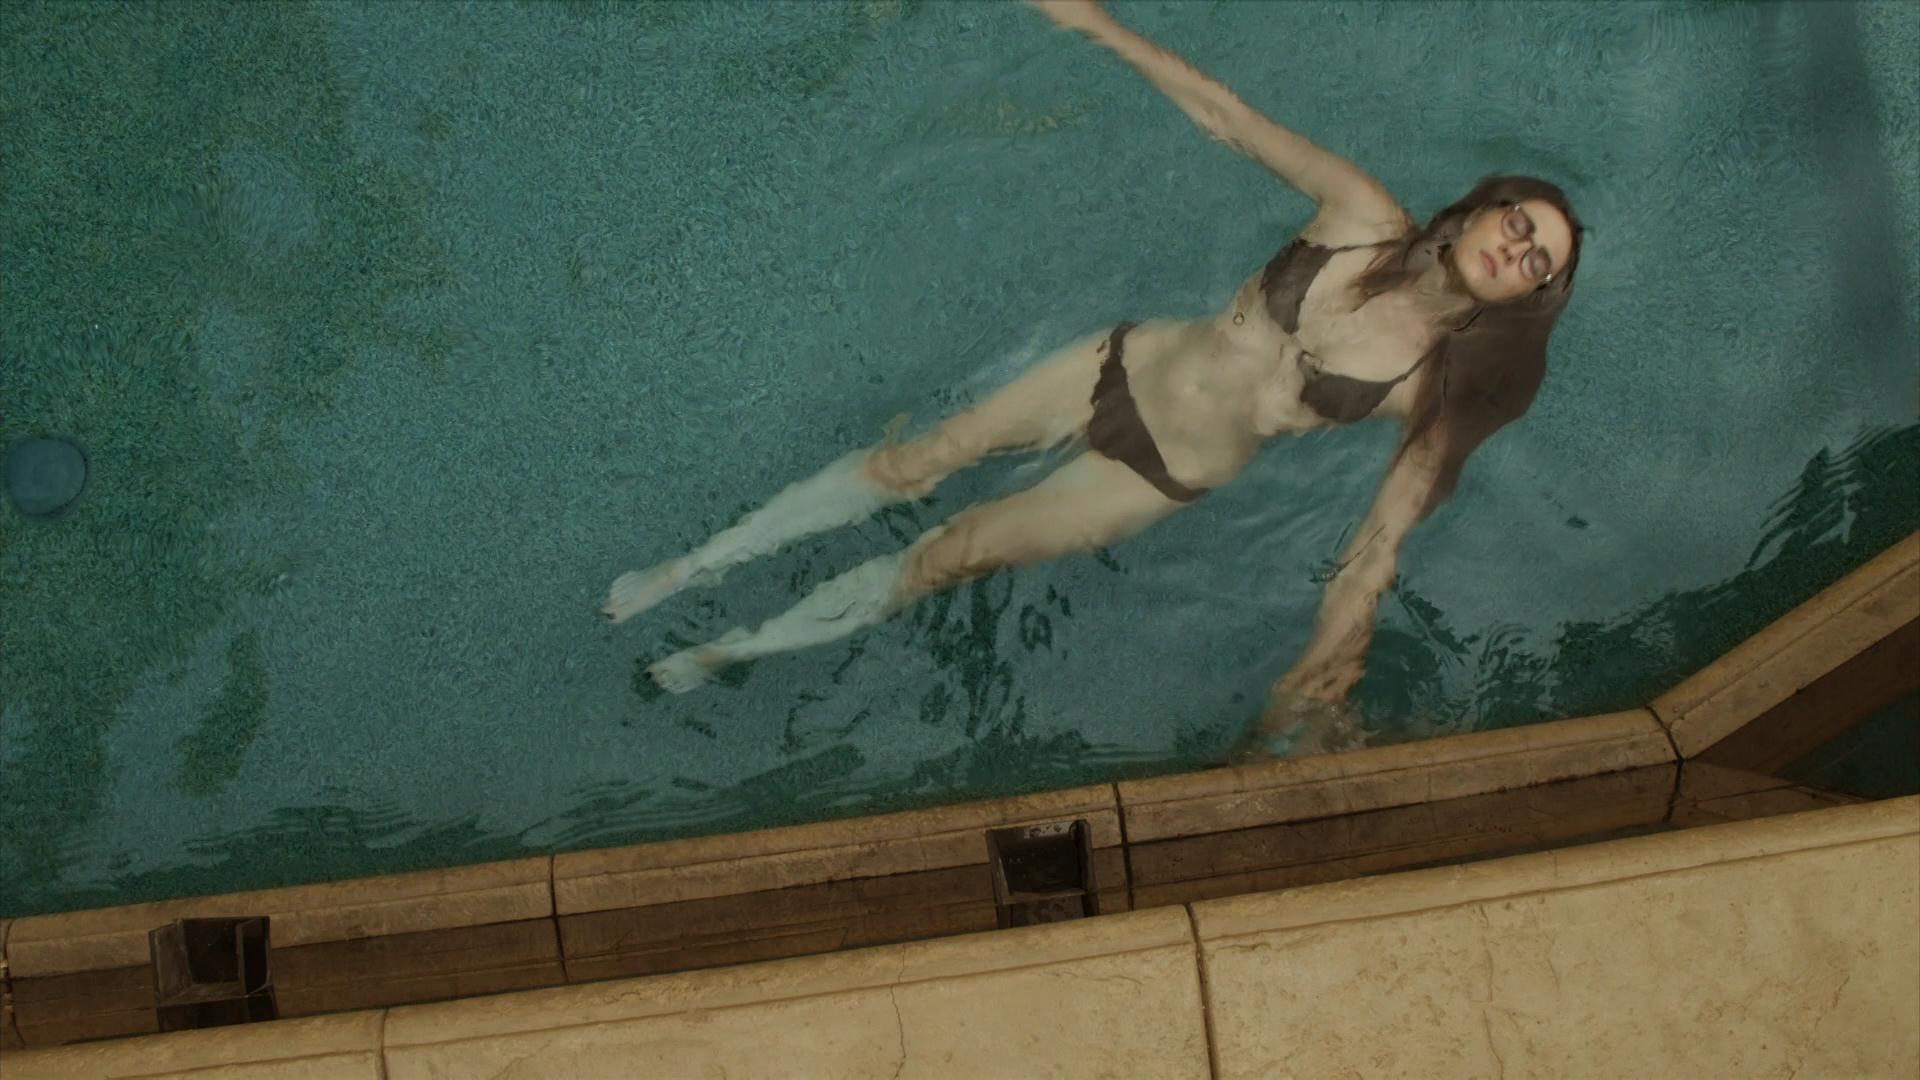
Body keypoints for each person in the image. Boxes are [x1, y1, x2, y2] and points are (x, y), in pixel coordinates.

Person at [602, 0, 1585, 758]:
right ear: (1481, 209)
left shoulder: (1425, 391)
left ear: (1526, 299)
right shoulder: (1361, 213)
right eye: (1519, 224)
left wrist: (1321, 670)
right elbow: (1228, 117)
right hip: (1117, 361)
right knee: (915, 462)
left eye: (1539, 262)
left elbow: (1376, 549)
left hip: (1153, 475)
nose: (1518, 250)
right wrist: (1094, 22)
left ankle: (733, 649)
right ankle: (695, 567)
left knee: (952, 552)